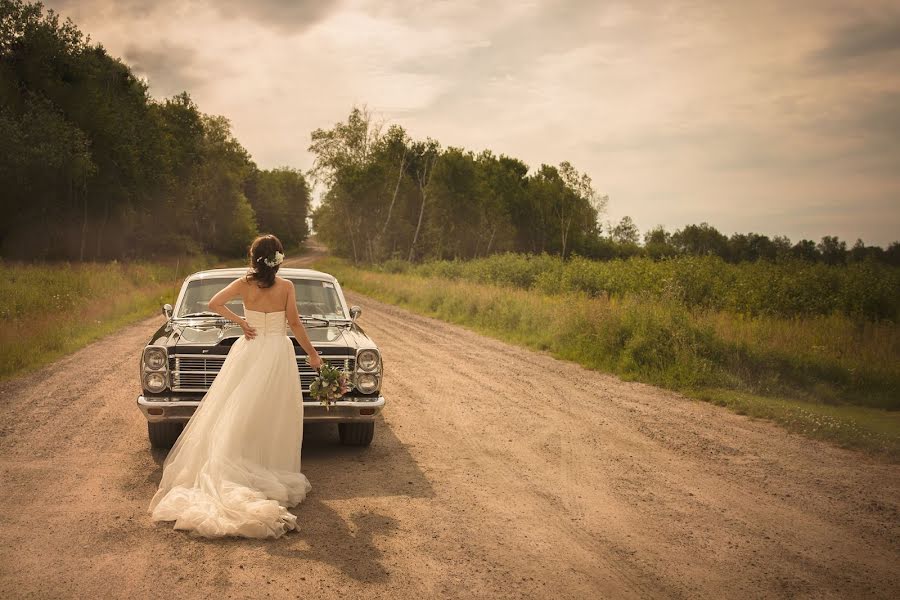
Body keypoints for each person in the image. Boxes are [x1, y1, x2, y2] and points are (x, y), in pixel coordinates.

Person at [148, 234, 324, 538]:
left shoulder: (244, 283)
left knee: (241, 408)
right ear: (279, 259)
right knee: (272, 411)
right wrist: (312, 353)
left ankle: (242, 462)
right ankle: (263, 464)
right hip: (277, 353)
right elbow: (295, 325)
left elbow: (215, 303)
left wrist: (240, 322)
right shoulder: (286, 287)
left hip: (250, 350)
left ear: (254, 258)